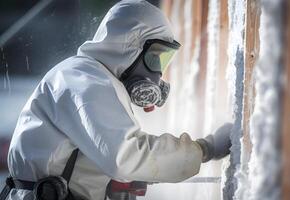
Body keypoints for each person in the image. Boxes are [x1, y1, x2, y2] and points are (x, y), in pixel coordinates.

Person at [2, 0, 233, 199]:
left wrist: (108, 180)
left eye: (165, 60)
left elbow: (81, 156)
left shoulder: (91, 77)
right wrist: (205, 148)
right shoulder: (86, 81)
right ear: (129, 46)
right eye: (155, 58)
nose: (157, 74)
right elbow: (127, 156)